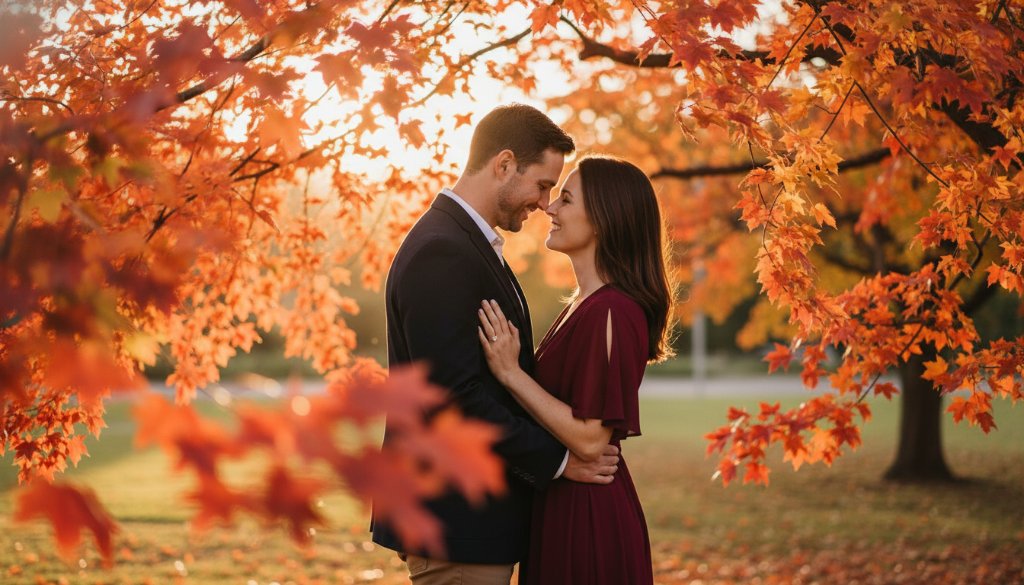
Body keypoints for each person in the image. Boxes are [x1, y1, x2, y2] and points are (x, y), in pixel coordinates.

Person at [371, 104, 622, 584]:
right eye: (543, 185)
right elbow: (453, 397)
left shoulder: (469, 244)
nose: (545, 202)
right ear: (504, 165)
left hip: (473, 523)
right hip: (455, 521)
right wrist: (562, 460)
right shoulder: (443, 250)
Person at [477, 155, 674, 585]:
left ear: (604, 219)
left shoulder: (613, 311)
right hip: (562, 502)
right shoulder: (584, 305)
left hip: (588, 518)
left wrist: (512, 374)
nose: (549, 208)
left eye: (565, 199)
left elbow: (590, 437)